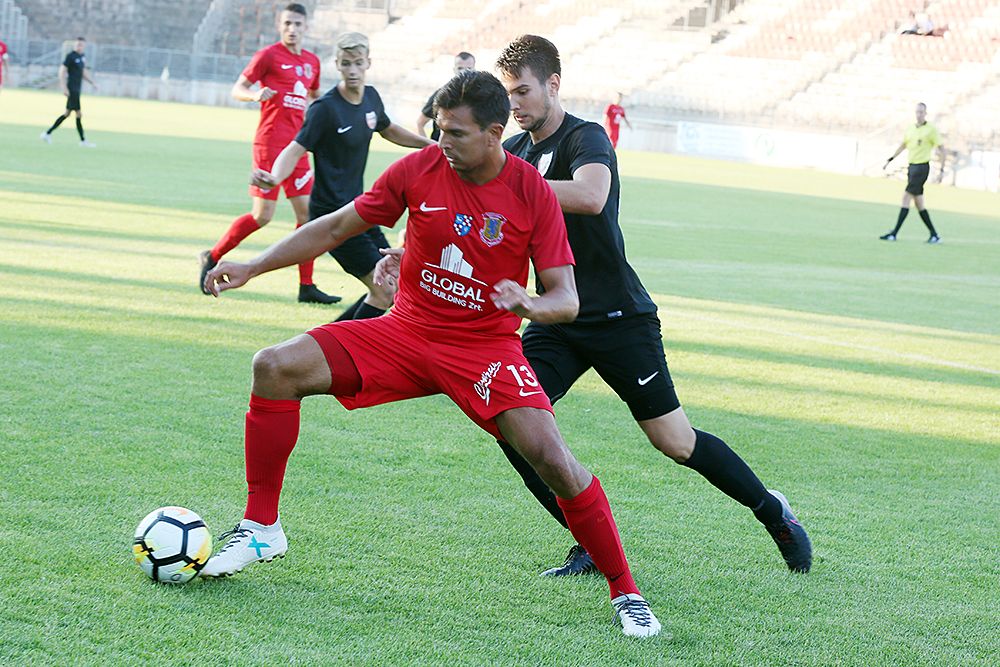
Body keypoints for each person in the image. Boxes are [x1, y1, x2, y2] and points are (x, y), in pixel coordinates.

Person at [201, 70, 662, 638]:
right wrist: (252, 265)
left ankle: (626, 592)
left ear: (494, 133)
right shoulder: (418, 169)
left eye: (456, 134)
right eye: (439, 129)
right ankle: (260, 527)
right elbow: (338, 226)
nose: (442, 143)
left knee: (555, 462)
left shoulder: (531, 192)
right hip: (405, 331)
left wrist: (530, 304)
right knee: (274, 366)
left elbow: (566, 299)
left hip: (484, 349)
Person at [382, 35, 814, 578]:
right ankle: (586, 541)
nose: (514, 104)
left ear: (553, 84)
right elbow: (472, 223)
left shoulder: (583, 138)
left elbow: (591, 196)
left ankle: (774, 513)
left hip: (618, 317)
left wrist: (515, 187)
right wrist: (415, 252)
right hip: (553, 317)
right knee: (513, 426)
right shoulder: (512, 152)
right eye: (508, 94)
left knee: (674, 441)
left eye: (523, 91)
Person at [251, 32, 433, 321]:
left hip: (360, 209)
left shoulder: (371, 98)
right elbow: (295, 149)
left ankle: (332, 340)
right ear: (337, 64)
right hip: (332, 215)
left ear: (368, 63)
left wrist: (429, 145)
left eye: (358, 63)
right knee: (385, 289)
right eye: (346, 63)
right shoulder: (325, 109)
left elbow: (387, 129)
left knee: (392, 281)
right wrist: (274, 177)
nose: (352, 70)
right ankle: (330, 344)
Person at [198, 4, 340, 304]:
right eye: (287, 23)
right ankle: (213, 255)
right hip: (270, 145)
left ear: (305, 27)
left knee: (307, 217)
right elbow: (238, 88)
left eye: (297, 24)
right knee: (262, 216)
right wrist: (254, 95)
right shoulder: (268, 56)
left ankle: (306, 286)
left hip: (298, 148)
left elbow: (315, 98)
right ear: (279, 25)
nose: (292, 29)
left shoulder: (312, 62)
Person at [881, 102, 944, 243]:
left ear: (925, 113)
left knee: (906, 198)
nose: (919, 114)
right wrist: (891, 159)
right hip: (912, 168)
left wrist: (942, 168)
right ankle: (934, 235)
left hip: (921, 168)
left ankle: (894, 233)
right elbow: (903, 145)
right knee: (919, 204)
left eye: (921, 112)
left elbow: (941, 148)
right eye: (917, 112)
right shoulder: (910, 129)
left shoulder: (931, 129)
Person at [40, 37, 97, 147]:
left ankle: (47, 133)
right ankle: (83, 141)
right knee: (78, 114)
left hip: (77, 89)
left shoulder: (82, 57)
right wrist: (64, 87)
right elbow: (62, 71)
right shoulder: (70, 56)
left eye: (81, 45)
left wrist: (92, 82)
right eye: (78, 44)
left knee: (67, 114)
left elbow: (83, 72)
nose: (79, 46)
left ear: (84, 46)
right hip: (72, 89)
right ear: (75, 45)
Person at [416, 51, 476, 141]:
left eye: (468, 68)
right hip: (441, 147)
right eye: (460, 68)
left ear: (474, 69)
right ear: (454, 69)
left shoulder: (480, 96)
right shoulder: (441, 94)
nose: (464, 72)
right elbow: (420, 123)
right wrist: (429, 146)